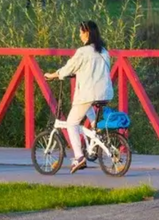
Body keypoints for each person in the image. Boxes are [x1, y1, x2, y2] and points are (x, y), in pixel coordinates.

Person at [44, 20, 113, 173]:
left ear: (87, 33)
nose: (79, 34)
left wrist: (54, 75)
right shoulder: (104, 52)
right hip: (106, 93)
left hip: (89, 93)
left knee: (71, 123)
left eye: (81, 32)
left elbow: (69, 68)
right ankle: (95, 127)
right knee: (86, 105)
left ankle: (79, 157)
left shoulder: (83, 52)